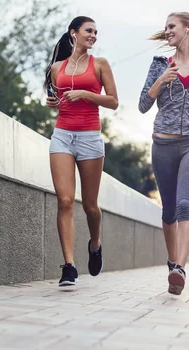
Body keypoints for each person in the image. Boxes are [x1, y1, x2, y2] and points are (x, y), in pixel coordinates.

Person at [138, 12, 189, 295]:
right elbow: (143, 105)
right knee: (169, 209)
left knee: (186, 205)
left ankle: (180, 269)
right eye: (166, 28)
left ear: (188, 29)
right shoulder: (160, 65)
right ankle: (172, 261)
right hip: (163, 144)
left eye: (172, 26)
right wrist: (161, 80)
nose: (167, 31)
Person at [44, 16, 118, 286]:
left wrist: (86, 95)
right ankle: (69, 266)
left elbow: (113, 101)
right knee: (64, 201)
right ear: (74, 33)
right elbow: (58, 99)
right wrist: (53, 103)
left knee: (90, 207)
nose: (94, 35)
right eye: (89, 30)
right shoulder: (56, 68)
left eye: (96, 32)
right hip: (62, 136)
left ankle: (95, 244)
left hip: (89, 138)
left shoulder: (99, 64)